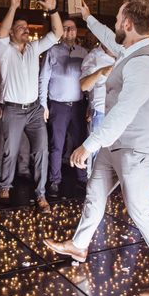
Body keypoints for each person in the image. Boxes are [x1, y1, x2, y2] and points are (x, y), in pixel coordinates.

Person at [43, 0, 149, 296]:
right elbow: (111, 38)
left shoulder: (144, 64)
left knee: (142, 213)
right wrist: (88, 17)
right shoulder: (131, 49)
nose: (114, 27)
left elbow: (123, 113)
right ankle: (80, 245)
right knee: (95, 194)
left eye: (117, 21)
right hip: (116, 144)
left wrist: (88, 144)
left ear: (127, 24)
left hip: (135, 149)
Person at [0, 0, 64, 213]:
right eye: (20, 28)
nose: (25, 30)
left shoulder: (34, 48)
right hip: (13, 110)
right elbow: (2, 31)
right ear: (13, 32)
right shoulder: (4, 49)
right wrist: (13, 7)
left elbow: (57, 34)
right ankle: (5, 185)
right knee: (10, 151)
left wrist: (53, 11)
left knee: (42, 150)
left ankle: (41, 195)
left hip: (34, 110)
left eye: (26, 27)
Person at [39, 18, 88, 197]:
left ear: (76, 31)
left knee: (81, 143)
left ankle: (83, 178)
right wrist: (43, 104)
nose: (69, 31)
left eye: (72, 28)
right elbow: (43, 79)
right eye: (65, 28)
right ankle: (55, 180)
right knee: (56, 145)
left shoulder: (84, 52)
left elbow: (88, 80)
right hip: (58, 106)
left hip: (78, 105)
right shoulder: (52, 51)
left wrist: (89, 104)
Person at [80, 43, 115, 175]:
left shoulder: (123, 54)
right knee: (96, 153)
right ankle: (93, 188)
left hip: (118, 112)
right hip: (101, 112)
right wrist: (100, 72)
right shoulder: (93, 57)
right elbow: (84, 86)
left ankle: (109, 191)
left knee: (114, 153)